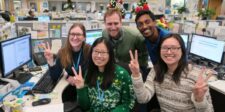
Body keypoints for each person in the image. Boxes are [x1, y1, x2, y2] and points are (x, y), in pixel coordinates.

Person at [129, 33, 214, 111]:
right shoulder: (156, 70)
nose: (169, 52)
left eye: (174, 48)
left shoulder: (196, 76)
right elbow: (143, 99)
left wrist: (199, 99)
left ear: (182, 50)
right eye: (165, 48)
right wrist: (136, 75)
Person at [71, 37, 135, 111]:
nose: (99, 56)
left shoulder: (122, 74)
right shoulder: (89, 72)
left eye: (103, 52)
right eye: (96, 51)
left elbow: (128, 103)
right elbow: (86, 106)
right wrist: (81, 88)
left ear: (110, 55)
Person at [43, 23, 91, 102]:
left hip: (86, 89)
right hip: (71, 90)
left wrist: (79, 80)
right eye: (72, 34)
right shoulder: (63, 52)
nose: (75, 37)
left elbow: (94, 75)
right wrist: (50, 61)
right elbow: (55, 76)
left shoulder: (90, 51)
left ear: (84, 37)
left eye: (78, 34)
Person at [102, 8, 149, 77]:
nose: (113, 27)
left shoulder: (136, 37)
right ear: (105, 24)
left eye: (116, 23)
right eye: (109, 24)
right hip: (113, 70)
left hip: (131, 71)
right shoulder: (104, 34)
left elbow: (144, 60)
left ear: (121, 23)